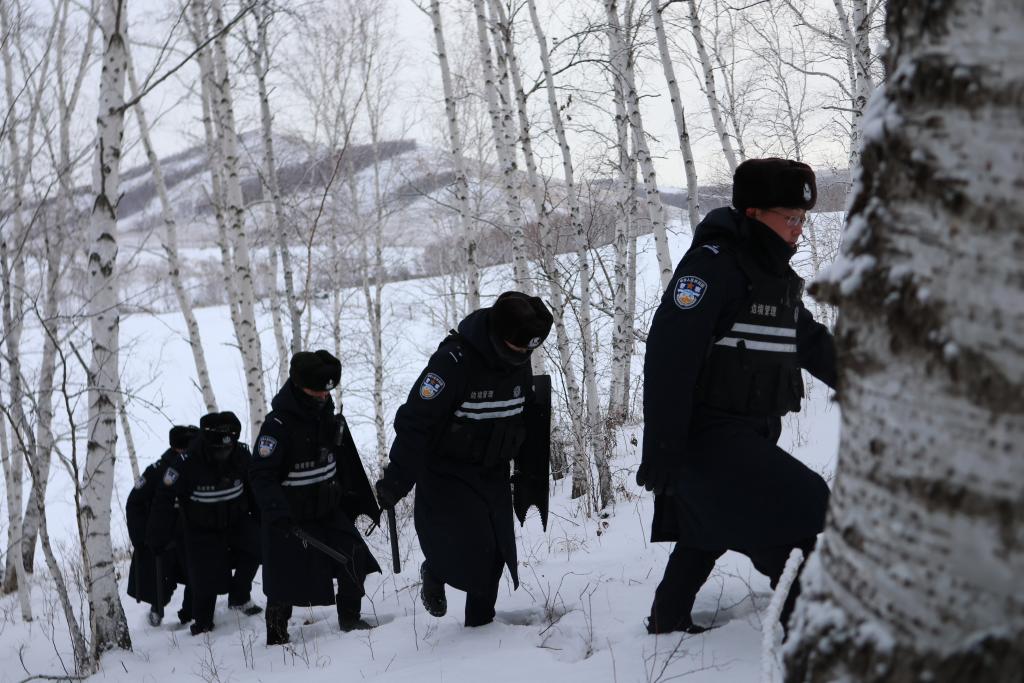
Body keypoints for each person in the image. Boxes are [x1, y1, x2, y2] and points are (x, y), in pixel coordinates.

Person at [637, 158, 837, 635]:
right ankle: (811, 638)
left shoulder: (774, 278)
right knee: (792, 512)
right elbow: (669, 357)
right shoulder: (713, 269)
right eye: (789, 219)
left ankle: (667, 621)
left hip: (750, 430)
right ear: (753, 213)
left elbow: (809, 343)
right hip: (705, 434)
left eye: (802, 220)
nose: (798, 232)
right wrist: (663, 445)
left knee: (708, 526)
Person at [374, 291, 553, 627]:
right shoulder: (452, 362)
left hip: (493, 470)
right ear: (499, 336)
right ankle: (435, 571)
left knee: (497, 553)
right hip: (447, 472)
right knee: (470, 549)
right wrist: (396, 479)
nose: (523, 356)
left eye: (528, 350)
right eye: (518, 349)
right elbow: (416, 422)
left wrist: (527, 472)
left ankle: (480, 626)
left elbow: (524, 416)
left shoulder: (519, 355)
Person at [249, 350, 382, 646]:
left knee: (353, 556)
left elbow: (344, 460)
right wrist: (277, 512)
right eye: (317, 391)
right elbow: (261, 475)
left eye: (327, 391)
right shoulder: (277, 427)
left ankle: (350, 618)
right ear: (299, 386)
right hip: (289, 517)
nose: (323, 397)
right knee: (283, 583)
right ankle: (277, 636)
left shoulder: (327, 415)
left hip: (327, 510)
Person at [146, 411, 263, 636]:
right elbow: (164, 499)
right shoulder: (186, 462)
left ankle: (239, 597)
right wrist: (157, 536)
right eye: (220, 449)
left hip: (235, 520)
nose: (225, 452)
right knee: (204, 578)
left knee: (258, 547)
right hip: (201, 528)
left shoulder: (241, 455)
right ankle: (203, 622)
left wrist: (262, 518)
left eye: (229, 447)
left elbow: (254, 486)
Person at [127, 424, 197, 626]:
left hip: (190, 533)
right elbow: (134, 502)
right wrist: (140, 538)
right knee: (164, 581)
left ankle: (189, 614)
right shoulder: (158, 470)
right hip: (164, 538)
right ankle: (156, 613)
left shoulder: (196, 465)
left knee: (195, 575)